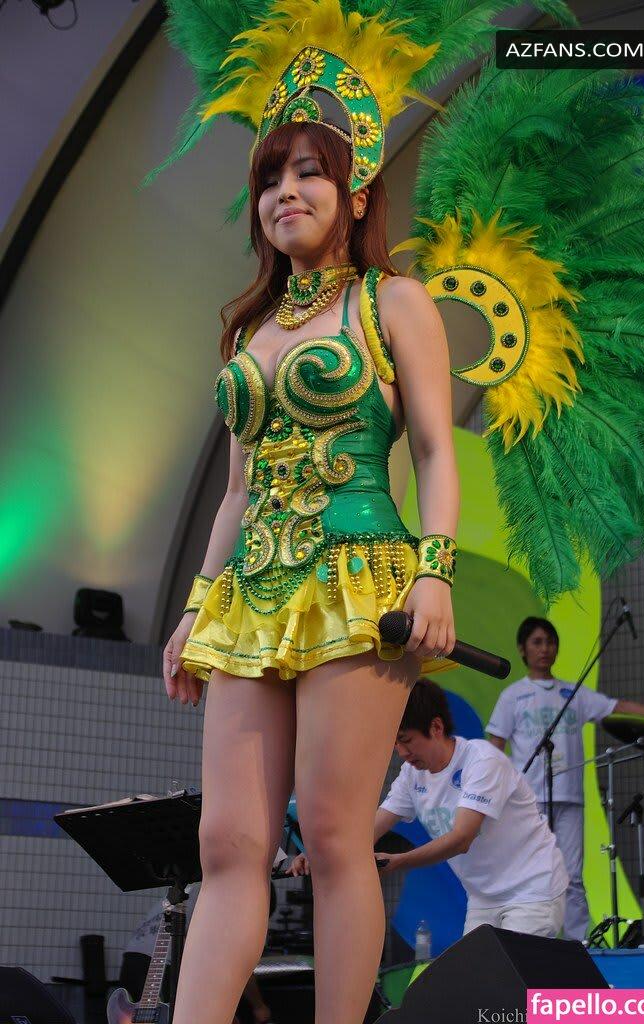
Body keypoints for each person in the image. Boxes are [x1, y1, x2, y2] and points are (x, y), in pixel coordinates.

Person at [158, 18, 461, 1023]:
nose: (284, 192)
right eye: (269, 178)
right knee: (228, 844)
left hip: (359, 578)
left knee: (333, 838)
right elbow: (234, 492)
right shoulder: (247, 330)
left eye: (308, 172)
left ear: (356, 192)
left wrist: (434, 571)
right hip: (251, 591)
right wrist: (195, 607)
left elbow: (433, 451)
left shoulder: (392, 302)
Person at [291, 680, 569, 939]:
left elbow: (461, 839)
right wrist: (319, 853)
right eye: (395, 743)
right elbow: (371, 829)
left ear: (436, 727)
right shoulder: (411, 775)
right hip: (483, 899)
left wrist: (399, 861)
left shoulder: (483, 761)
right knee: (479, 973)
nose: (402, 752)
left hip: (533, 891)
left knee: (512, 972)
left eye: (406, 739)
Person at [486, 616, 644, 941]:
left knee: (572, 876)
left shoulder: (572, 693)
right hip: (529, 800)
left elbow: (615, 706)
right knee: (531, 874)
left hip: (570, 798)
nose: (545, 649)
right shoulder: (512, 696)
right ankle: (531, 941)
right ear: (522, 649)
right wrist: (497, 791)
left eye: (550, 642)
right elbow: (495, 747)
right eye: (537, 642)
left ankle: (578, 944)